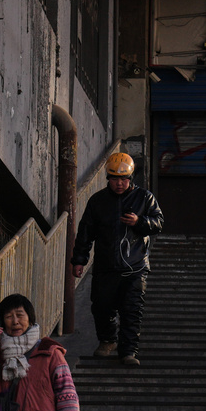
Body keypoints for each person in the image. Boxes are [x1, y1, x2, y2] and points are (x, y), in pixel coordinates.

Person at [71, 152, 164, 366]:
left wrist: (139, 222)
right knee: (101, 307)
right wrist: (79, 260)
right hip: (105, 266)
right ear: (108, 179)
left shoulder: (145, 198)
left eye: (123, 179)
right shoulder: (97, 201)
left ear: (131, 178)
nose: (119, 183)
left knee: (132, 311)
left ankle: (128, 351)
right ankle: (107, 341)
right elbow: (85, 232)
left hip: (136, 266)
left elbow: (158, 223)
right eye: (114, 179)